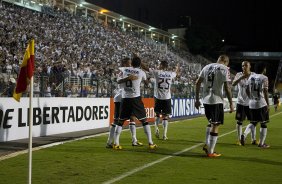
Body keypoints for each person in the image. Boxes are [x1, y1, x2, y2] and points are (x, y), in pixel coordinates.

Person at [113, 56, 157, 150]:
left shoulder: (124, 70)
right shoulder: (142, 72)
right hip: (136, 99)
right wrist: (149, 80)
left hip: (125, 99)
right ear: (139, 64)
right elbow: (147, 84)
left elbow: (118, 81)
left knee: (120, 121)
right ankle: (150, 142)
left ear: (131, 63)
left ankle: (116, 143)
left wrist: (127, 78)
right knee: (144, 121)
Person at [195, 55, 234, 157]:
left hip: (206, 100)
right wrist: (231, 102)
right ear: (226, 62)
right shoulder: (225, 69)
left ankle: (207, 144)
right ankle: (211, 152)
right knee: (216, 125)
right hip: (216, 100)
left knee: (211, 122)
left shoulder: (206, 67)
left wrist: (197, 100)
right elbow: (227, 87)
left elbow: (197, 83)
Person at [106, 58, 143, 148]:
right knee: (117, 120)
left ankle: (134, 140)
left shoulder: (129, 71)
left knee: (132, 118)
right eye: (128, 63)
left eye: (131, 63)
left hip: (127, 98)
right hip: (121, 98)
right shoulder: (122, 71)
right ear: (124, 63)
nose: (130, 65)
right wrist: (129, 78)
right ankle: (110, 142)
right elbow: (118, 81)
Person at [142, 60, 180, 140]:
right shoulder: (170, 74)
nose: (159, 66)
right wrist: (177, 67)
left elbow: (145, 68)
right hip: (167, 97)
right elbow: (176, 73)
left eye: (160, 65)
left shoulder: (157, 72)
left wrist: (138, 60)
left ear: (162, 65)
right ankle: (165, 135)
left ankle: (156, 128)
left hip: (158, 97)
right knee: (165, 116)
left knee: (157, 115)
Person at [242, 63, 270, 148]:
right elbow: (265, 91)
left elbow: (246, 89)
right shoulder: (264, 77)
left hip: (252, 103)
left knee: (253, 122)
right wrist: (268, 104)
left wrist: (250, 97)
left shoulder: (251, 76)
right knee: (263, 123)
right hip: (261, 103)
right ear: (263, 69)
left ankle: (244, 134)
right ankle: (261, 143)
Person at [232, 61, 257, 146]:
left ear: (250, 66)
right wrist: (241, 78)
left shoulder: (254, 75)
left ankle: (253, 139)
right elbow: (233, 83)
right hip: (241, 102)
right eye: (242, 66)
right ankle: (239, 139)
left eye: (246, 65)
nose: (244, 67)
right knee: (239, 121)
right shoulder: (239, 74)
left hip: (251, 103)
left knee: (253, 121)